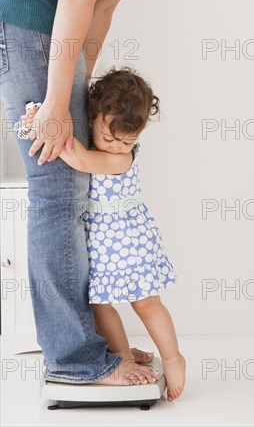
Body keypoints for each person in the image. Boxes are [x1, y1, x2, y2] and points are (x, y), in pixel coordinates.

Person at [0, 0, 254, 385]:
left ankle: (86, 348)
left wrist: (78, 93)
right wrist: (56, 101)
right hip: (26, 16)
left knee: (70, 183)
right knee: (57, 187)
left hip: (40, 23)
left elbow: (101, 8)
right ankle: (75, 359)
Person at [16, 66, 185, 401]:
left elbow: (76, 156)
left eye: (128, 140)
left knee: (146, 302)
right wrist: (36, 119)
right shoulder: (98, 140)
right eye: (109, 138)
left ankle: (173, 357)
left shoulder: (121, 160)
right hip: (100, 243)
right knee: (99, 303)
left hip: (129, 242)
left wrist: (43, 123)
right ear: (91, 117)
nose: (117, 146)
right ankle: (119, 358)